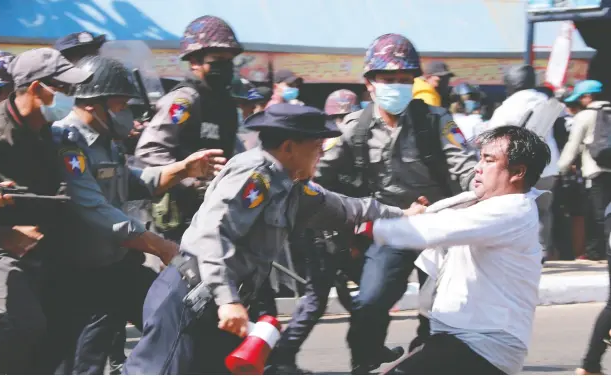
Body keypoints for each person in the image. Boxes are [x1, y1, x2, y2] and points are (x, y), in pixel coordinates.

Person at [123, 103, 412, 375]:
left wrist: (404, 213)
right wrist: (227, 300)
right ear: (288, 147)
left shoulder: (291, 185)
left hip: (221, 306)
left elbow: (345, 208)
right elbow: (214, 234)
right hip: (194, 299)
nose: (321, 154)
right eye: (316, 148)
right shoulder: (254, 175)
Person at [47, 55, 227, 374]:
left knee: (181, 322)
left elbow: (133, 182)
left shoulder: (109, 143)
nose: (126, 113)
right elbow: (94, 209)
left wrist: (183, 168)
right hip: (84, 278)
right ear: (92, 103)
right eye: (119, 105)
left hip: (120, 268)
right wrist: (160, 246)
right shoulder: (67, 141)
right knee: (82, 365)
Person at [313, 33, 478, 374]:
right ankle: (365, 361)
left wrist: (486, 188)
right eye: (389, 80)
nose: (398, 87)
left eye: (406, 81)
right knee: (370, 300)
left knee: (441, 309)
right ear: (369, 84)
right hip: (391, 226)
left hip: (439, 224)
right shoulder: (354, 127)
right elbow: (320, 175)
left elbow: (464, 167)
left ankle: (427, 357)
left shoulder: (437, 120)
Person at [375, 125, 552, 375]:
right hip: (457, 338)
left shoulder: (512, 210)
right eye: (480, 157)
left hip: (482, 346)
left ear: (518, 172)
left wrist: (368, 225)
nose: (477, 167)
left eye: (489, 160)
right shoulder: (477, 203)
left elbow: (436, 229)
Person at [0, 47, 92, 375]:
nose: (71, 97)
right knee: (24, 325)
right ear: (37, 89)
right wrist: (3, 234)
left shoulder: (50, 134)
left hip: (46, 250)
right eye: (64, 89)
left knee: (65, 326)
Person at [266, 89, 361, 375]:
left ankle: (365, 351)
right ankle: (281, 357)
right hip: (323, 233)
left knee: (359, 297)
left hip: (336, 230)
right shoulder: (330, 148)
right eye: (340, 119)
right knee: (318, 298)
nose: (344, 124)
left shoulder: (343, 144)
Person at [133, 15, 242, 242]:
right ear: (194, 62)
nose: (225, 67)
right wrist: (190, 181)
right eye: (217, 61)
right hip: (175, 218)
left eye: (229, 61)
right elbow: (149, 152)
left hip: (214, 215)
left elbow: (234, 152)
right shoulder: (183, 101)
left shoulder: (227, 104)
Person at [561, 80, 611, 376]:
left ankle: (590, 363)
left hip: (597, 180)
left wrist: (560, 171)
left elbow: (571, 148)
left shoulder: (584, 116)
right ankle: (590, 363)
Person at [488, 64, 561, 261]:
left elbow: (493, 138)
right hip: (549, 166)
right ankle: (542, 251)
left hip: (520, 169)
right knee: (543, 211)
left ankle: (518, 252)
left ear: (511, 83)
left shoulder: (508, 107)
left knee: (515, 210)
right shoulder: (548, 102)